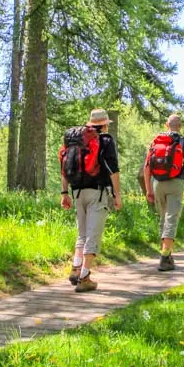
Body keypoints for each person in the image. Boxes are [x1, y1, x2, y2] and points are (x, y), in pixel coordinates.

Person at [60, 108, 122, 293]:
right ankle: (84, 278)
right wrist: (117, 195)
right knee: (93, 236)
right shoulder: (105, 140)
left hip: (77, 191)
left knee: (82, 234)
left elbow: (64, 168)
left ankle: (76, 268)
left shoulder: (74, 139)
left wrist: (64, 193)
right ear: (104, 124)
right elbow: (114, 170)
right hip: (98, 192)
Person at [143, 114, 184, 271]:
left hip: (157, 183)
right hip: (176, 183)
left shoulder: (156, 141)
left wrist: (148, 190)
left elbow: (146, 168)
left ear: (167, 125)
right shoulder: (183, 142)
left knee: (163, 219)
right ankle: (165, 256)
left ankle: (167, 255)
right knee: (172, 218)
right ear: (180, 126)